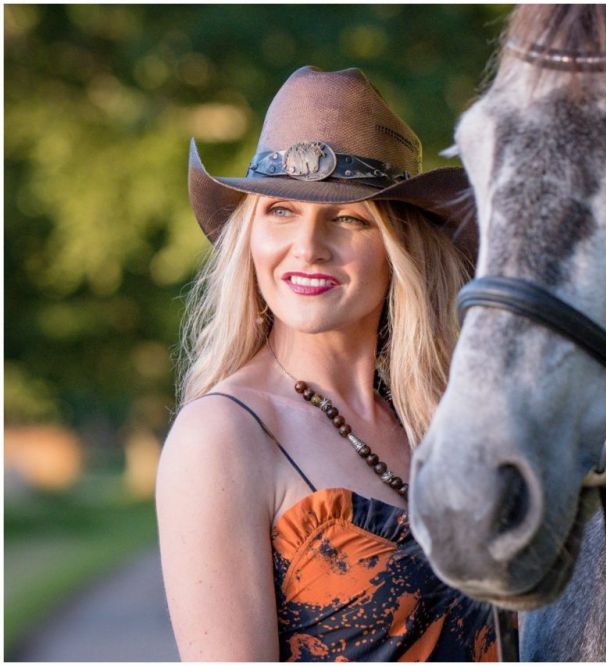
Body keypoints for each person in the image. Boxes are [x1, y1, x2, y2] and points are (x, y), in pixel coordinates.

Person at [156, 66, 495, 661]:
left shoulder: (448, 419)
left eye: (348, 217)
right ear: (250, 235)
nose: (308, 246)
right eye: (281, 211)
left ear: (401, 250)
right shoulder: (223, 437)